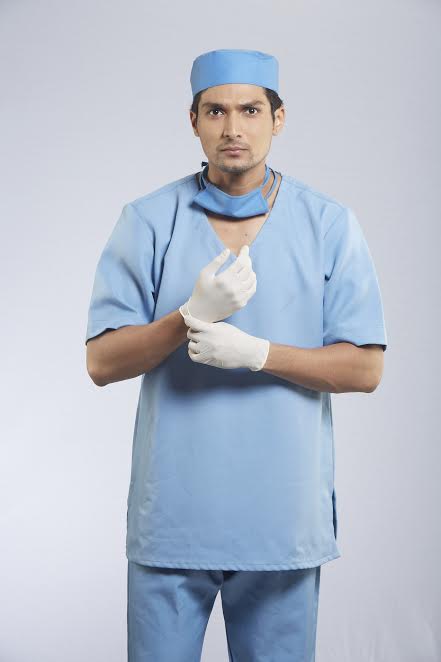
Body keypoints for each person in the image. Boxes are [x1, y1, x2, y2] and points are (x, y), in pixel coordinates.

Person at [85, 48, 387, 662]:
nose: (233, 128)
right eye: (216, 111)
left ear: (279, 119)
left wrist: (259, 353)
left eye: (250, 110)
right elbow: (102, 362)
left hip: (281, 518)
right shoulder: (149, 221)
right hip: (175, 518)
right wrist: (187, 318)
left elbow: (365, 367)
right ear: (193, 121)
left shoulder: (328, 224)